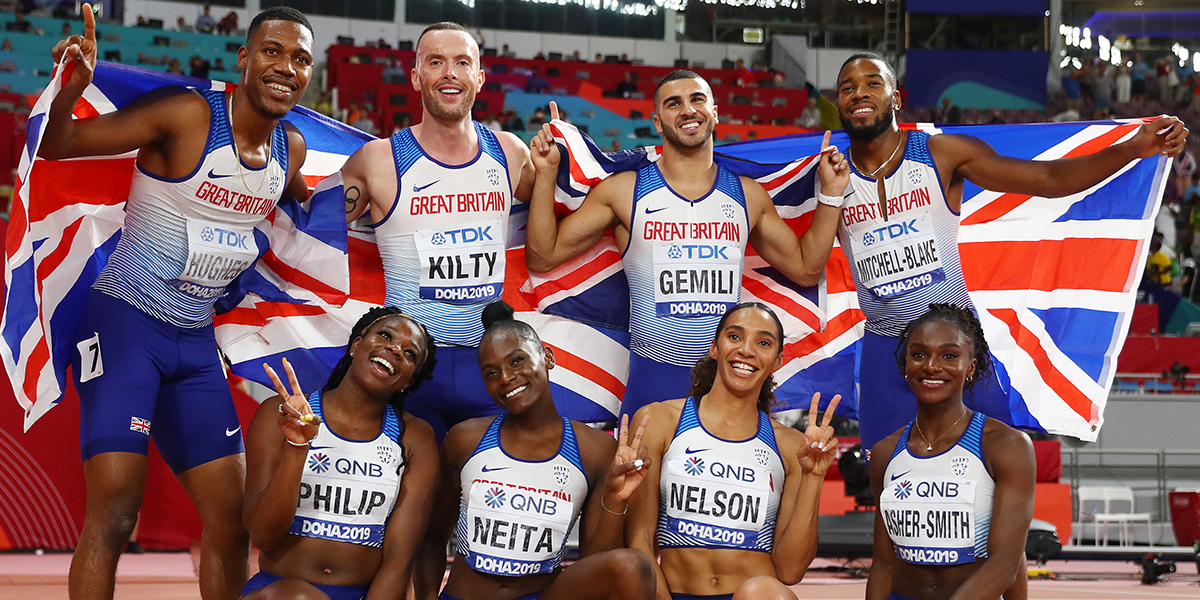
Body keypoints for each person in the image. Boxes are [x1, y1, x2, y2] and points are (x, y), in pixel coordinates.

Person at [42, 5, 314, 599]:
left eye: (300, 58)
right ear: (243, 58)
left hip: (193, 343)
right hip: (124, 321)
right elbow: (60, 143)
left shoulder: (288, 150)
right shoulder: (188, 114)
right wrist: (71, 90)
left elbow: (312, 207)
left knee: (230, 521)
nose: (285, 67)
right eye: (272, 51)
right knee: (114, 514)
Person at [829, 52, 1189, 452]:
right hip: (885, 345)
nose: (859, 92)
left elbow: (1049, 179)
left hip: (958, 341)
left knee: (992, 469)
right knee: (887, 482)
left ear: (896, 97)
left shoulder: (941, 154)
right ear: (839, 102)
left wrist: (1131, 149)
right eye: (848, 87)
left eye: (872, 83)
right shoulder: (830, 175)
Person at [525, 70, 845, 418]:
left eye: (697, 99)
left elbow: (806, 270)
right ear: (658, 122)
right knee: (637, 473)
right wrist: (545, 174)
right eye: (673, 103)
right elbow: (544, 257)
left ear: (715, 112)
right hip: (653, 378)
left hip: (729, 383)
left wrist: (830, 194)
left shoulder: (748, 197)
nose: (687, 110)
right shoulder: (624, 191)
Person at [340, 21, 535, 443]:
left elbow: (560, 218)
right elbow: (307, 230)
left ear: (479, 78)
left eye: (462, 62)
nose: (450, 73)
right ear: (416, 77)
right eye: (436, 62)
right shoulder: (378, 162)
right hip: (408, 368)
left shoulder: (510, 153)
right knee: (411, 500)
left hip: (492, 371)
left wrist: (560, 162)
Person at [415, 300, 656, 600]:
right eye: (491, 373)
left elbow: (598, 563)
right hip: (465, 595)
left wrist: (614, 497)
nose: (505, 378)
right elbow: (433, 539)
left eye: (517, 361)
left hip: (539, 595)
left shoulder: (594, 449)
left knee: (632, 566)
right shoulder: (466, 439)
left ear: (548, 357)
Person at [625, 302, 841, 600]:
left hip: (751, 594)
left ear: (777, 361)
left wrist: (813, 477)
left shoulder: (790, 445)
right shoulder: (659, 421)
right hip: (670, 594)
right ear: (715, 347)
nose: (746, 351)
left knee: (763, 591)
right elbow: (640, 541)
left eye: (763, 343)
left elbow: (790, 571)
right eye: (735, 337)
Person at [243, 308, 439, 599]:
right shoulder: (280, 413)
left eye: (410, 354)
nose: (395, 349)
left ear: (407, 382)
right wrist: (297, 447)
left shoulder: (415, 438)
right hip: (279, 590)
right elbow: (263, 535)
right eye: (385, 335)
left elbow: (399, 559)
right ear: (356, 345)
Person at [866, 303, 1035, 600]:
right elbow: (883, 564)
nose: (932, 366)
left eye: (949, 355)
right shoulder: (885, 452)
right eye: (919, 354)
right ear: (905, 365)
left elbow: (1006, 565)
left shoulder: (1006, 446)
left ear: (970, 366)